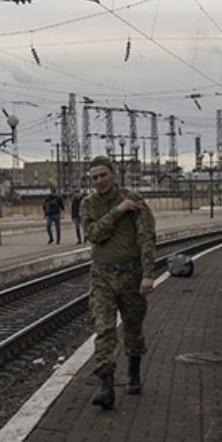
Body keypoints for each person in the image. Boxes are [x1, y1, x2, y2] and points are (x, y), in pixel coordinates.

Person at [80, 155, 155, 410]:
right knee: (104, 328)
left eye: (103, 175)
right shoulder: (88, 204)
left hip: (132, 274)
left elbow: (146, 237)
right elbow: (92, 234)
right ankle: (106, 385)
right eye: (94, 178)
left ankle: (133, 372)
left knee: (133, 327)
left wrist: (148, 274)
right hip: (102, 275)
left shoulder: (134, 200)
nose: (99, 181)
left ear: (113, 174)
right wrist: (118, 211)